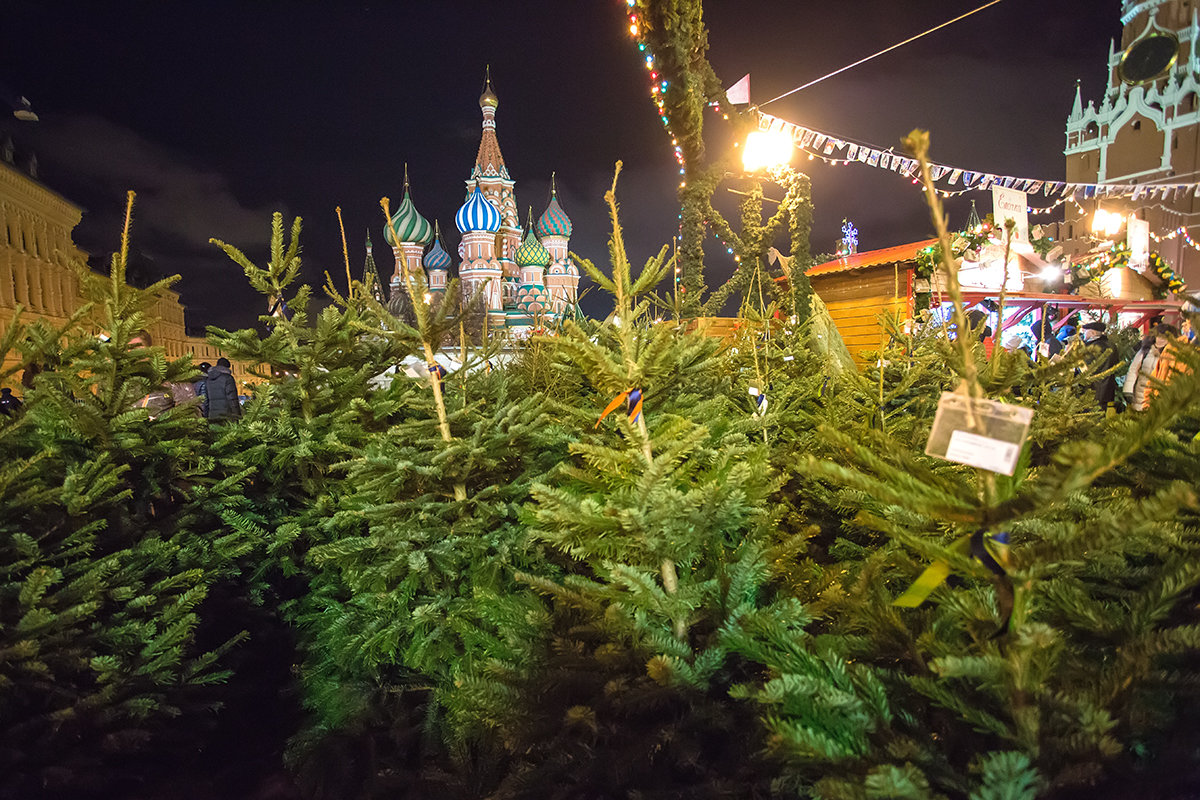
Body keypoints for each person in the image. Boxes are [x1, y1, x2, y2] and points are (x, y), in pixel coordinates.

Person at [1124, 323, 1179, 411]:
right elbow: (1133, 370)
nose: (1161, 340)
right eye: (1159, 336)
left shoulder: (1173, 355)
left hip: (1160, 399)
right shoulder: (1145, 351)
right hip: (1140, 397)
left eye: (1165, 337)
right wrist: (1128, 390)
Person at [1080, 321, 1120, 412]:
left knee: (1092, 416)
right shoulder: (1111, 345)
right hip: (1107, 387)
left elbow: (1084, 367)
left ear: (1093, 333)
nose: (1083, 333)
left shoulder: (1095, 347)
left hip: (1094, 388)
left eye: (1086, 331)